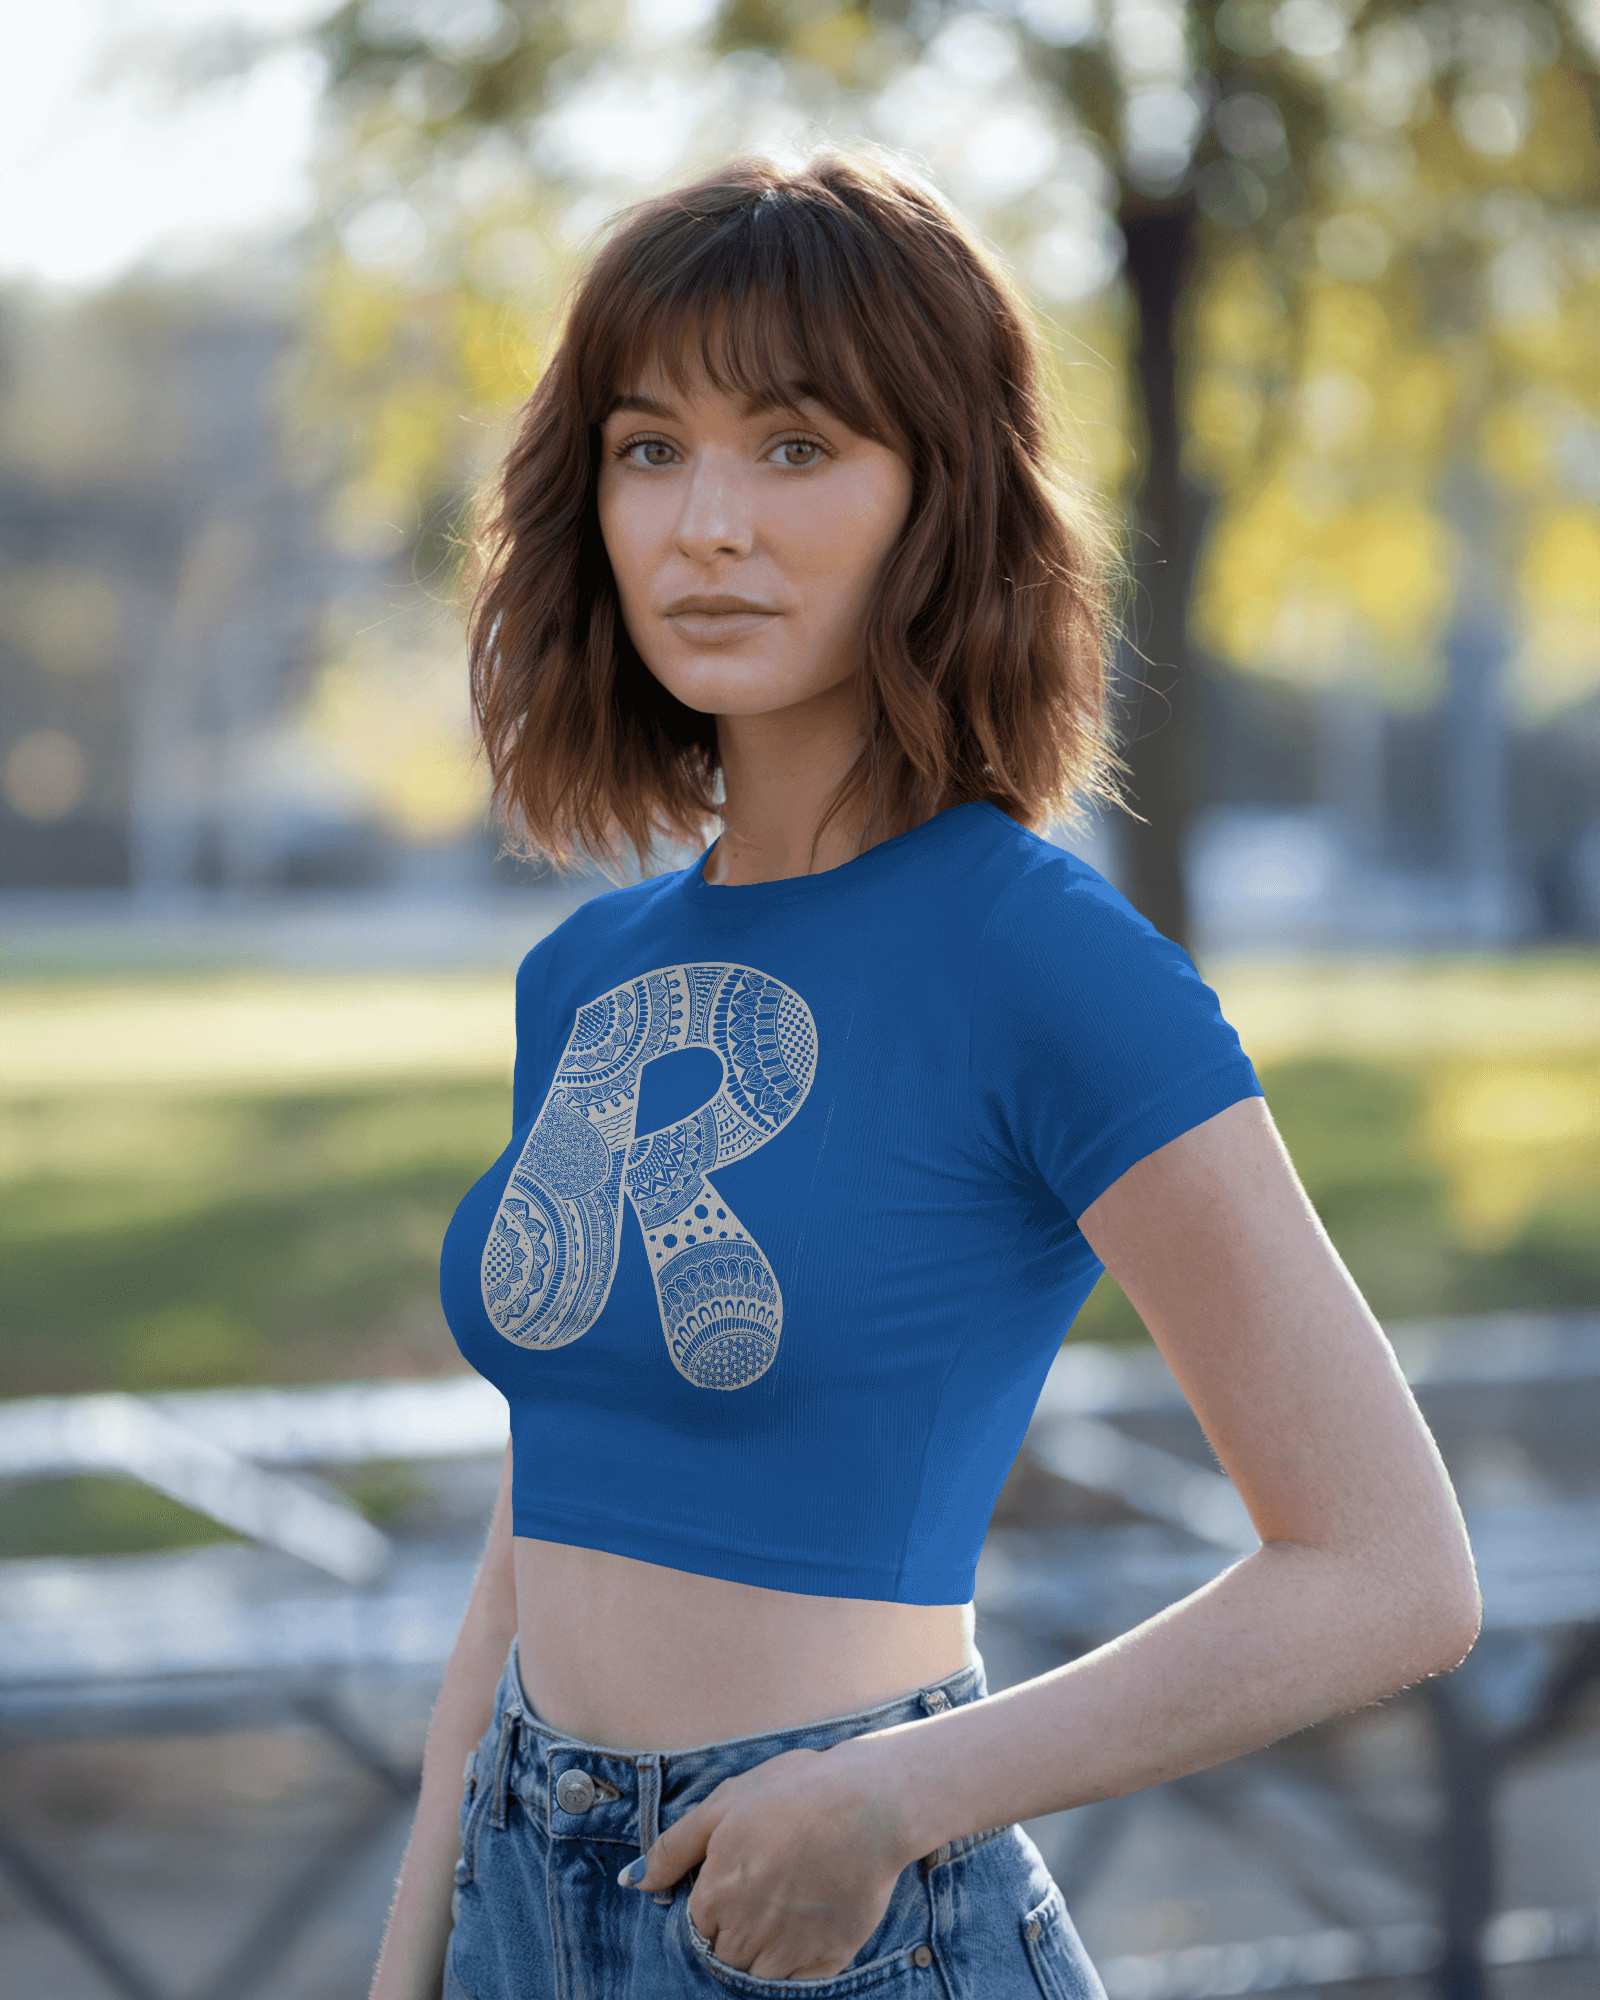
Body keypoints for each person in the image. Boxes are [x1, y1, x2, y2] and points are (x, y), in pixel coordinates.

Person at [369, 152, 1479, 2000]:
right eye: (651, 449)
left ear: (936, 502)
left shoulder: (1037, 961)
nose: (705, 523)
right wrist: (420, 1947)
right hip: (516, 1884)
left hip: (832, 1913)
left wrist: (890, 1801)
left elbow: (1389, 1573)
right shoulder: (584, 975)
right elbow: (537, 1522)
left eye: (795, 447)